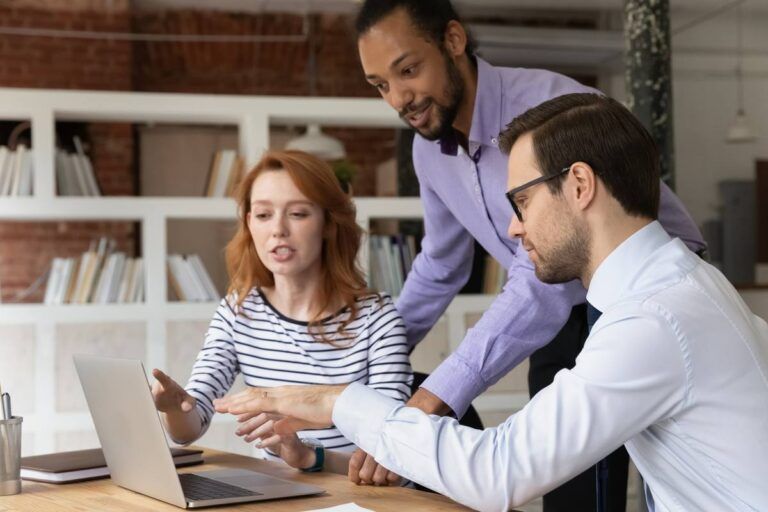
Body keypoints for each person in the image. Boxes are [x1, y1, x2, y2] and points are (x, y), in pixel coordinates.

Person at [213, 93, 768, 511]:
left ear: (578, 186)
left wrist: (338, 401)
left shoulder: (651, 320)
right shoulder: (685, 286)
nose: (512, 227)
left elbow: (499, 472)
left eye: (521, 201)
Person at [350, 0, 706, 508]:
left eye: (408, 70)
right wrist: (374, 353)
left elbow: (540, 278)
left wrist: (437, 395)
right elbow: (443, 264)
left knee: (655, 480)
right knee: (560, 487)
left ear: (453, 41)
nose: (399, 98)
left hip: (643, 292)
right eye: (381, 85)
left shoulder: (550, 107)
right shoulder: (428, 151)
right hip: (559, 298)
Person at [151, 150, 413, 472]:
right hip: (283, 496)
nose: (278, 230)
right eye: (263, 215)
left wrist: (309, 457)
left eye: (298, 214)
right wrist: (175, 407)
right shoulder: (239, 311)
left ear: (329, 224)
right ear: (250, 224)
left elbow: (396, 456)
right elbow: (189, 427)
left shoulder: (378, 318)